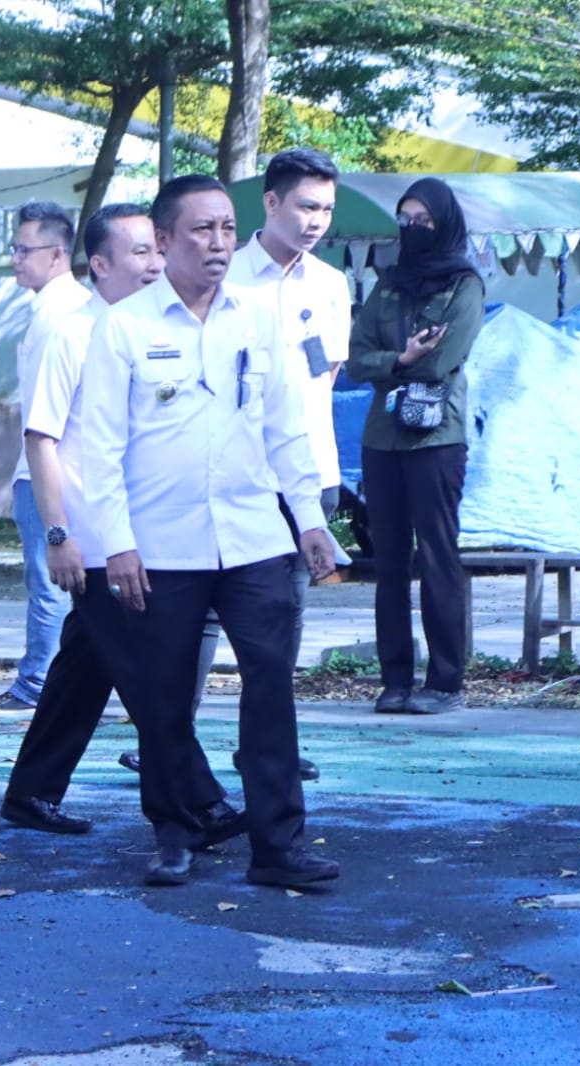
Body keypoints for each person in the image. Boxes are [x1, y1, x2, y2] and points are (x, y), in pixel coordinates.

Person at [79, 174, 340, 889]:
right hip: (159, 547)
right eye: (201, 230)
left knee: (269, 691)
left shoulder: (256, 318)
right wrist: (116, 543)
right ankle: (174, 832)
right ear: (162, 243)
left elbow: (288, 428)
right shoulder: (124, 326)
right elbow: (95, 448)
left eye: (226, 228)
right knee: (162, 700)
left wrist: (310, 519)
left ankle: (278, 846)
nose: (219, 243)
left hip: (255, 536)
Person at [2, 202, 240, 838]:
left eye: (156, 250)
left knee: (87, 666)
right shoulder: (69, 331)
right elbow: (41, 439)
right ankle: (203, 801)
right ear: (98, 264)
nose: (153, 264)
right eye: (137, 252)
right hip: (93, 537)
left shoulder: (146, 328)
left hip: (141, 531)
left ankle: (30, 791)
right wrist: (58, 535)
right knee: (146, 673)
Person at [226, 146, 351, 780]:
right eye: (305, 206)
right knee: (201, 618)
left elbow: (322, 376)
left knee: (286, 615)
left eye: (326, 209)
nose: (316, 221)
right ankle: (171, 734)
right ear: (270, 202)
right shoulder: (222, 277)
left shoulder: (331, 285)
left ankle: (270, 744)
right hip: (234, 474)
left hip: (309, 473)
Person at [346, 177, 485, 716]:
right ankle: (395, 680)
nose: (413, 229)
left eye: (423, 220)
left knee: (437, 555)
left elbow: (443, 358)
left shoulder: (464, 284)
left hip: (437, 437)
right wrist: (396, 361)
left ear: (444, 222)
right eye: (405, 219)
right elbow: (357, 357)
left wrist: (402, 361)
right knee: (388, 563)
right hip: (383, 437)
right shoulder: (388, 284)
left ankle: (445, 682)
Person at [0, 201, 89, 717]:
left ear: (56, 254)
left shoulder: (59, 318)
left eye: (23, 249)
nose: (14, 258)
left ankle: (36, 684)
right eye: (14, 248)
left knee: (48, 580)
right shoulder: (63, 309)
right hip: (54, 468)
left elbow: (46, 418)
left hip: (47, 469)